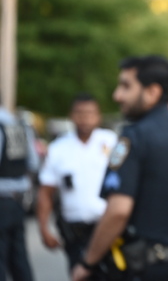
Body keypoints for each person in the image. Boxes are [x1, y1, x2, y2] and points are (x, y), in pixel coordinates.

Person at [71, 56, 168, 281]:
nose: (117, 95)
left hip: (144, 269)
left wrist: (86, 263)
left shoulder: (134, 137)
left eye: (126, 86)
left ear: (152, 92)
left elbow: (118, 211)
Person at [37, 93, 117, 271]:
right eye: (79, 113)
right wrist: (43, 228)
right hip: (75, 230)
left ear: (98, 116)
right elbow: (45, 192)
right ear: (71, 115)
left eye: (90, 113)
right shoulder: (58, 148)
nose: (85, 118)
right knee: (79, 272)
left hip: (107, 227)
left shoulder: (111, 142)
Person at [0, 100, 38, 281]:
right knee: (18, 259)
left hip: (2, 199)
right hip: (17, 200)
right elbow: (33, 163)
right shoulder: (19, 124)